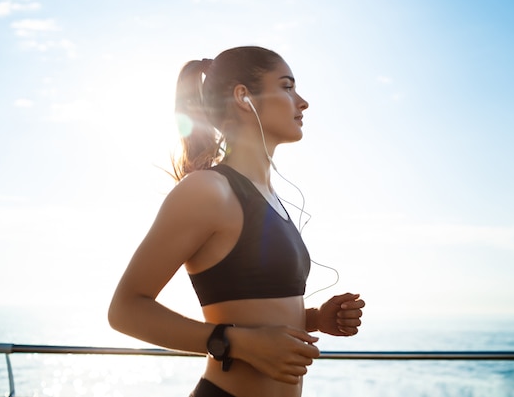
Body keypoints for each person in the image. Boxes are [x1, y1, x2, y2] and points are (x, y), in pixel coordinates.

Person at [108, 46, 365, 397]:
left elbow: (254, 316)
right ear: (244, 97)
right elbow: (125, 310)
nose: (302, 102)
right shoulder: (208, 190)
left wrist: (316, 317)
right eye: (287, 87)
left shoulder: (270, 198)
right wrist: (233, 343)